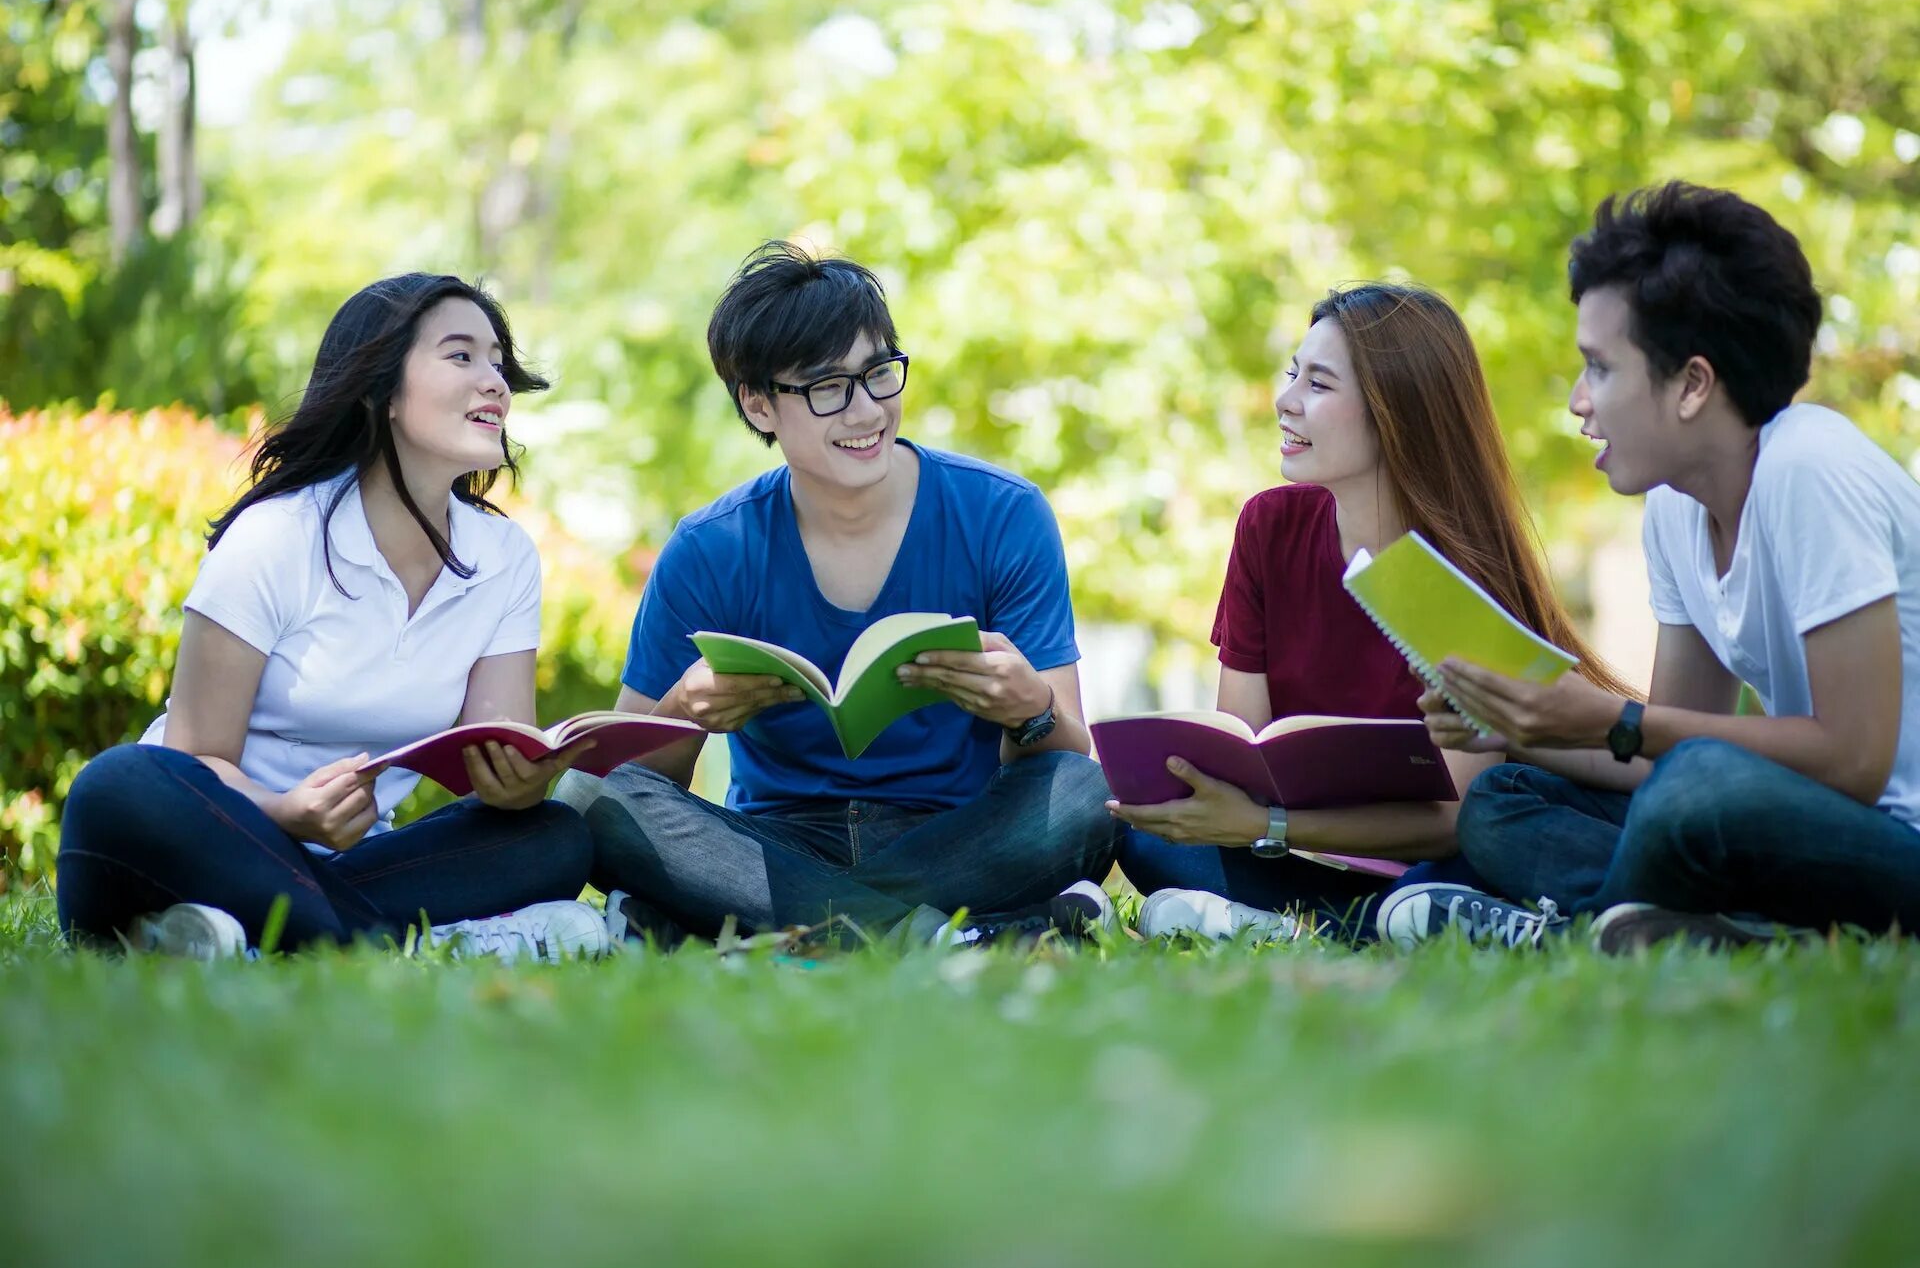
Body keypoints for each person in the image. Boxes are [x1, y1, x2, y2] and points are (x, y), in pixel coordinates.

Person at [1391, 181, 1920, 953]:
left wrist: (1610, 719)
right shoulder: (1677, 508)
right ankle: (1686, 926)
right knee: (1505, 796)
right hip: (1777, 823)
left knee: (1700, 788)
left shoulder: (1811, 468)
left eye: (1599, 368)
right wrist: (1512, 727)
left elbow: (1852, 762)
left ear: (1693, 385)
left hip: (1891, 835)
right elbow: (1654, 752)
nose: (1578, 401)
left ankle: (1577, 926)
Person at [557, 242, 1118, 946]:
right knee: (593, 800)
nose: (866, 411)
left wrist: (1029, 709)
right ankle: (942, 935)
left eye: (879, 374)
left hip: (955, 837)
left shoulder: (1004, 513)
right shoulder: (711, 547)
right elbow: (629, 779)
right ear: (759, 405)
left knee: (1082, 795)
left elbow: (1068, 756)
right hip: (774, 844)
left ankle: (768, 929)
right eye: (827, 388)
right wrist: (686, 712)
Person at [56, 273, 606, 962]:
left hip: (358, 862)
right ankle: (410, 941)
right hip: (212, 829)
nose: (494, 380)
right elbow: (194, 758)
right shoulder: (276, 536)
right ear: (382, 393)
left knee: (555, 835)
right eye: (462, 356)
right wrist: (285, 812)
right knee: (117, 784)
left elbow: (494, 759)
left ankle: (247, 935)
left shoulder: (503, 559)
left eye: (497, 360)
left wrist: (522, 786)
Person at [1108, 284, 1635, 945]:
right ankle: (1357, 927)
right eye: (1293, 373)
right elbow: (1243, 747)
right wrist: (1230, 810)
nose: (1286, 400)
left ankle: (1323, 926)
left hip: (1430, 856)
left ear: (1396, 412)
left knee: (1456, 862)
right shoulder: (1268, 526)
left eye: (1320, 385)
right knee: (1148, 840)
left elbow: (1454, 816)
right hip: (1298, 852)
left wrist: (1268, 826)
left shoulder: (1459, 572)